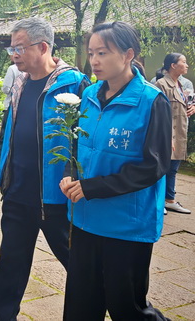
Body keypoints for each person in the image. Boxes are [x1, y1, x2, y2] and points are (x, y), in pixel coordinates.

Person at [60, 21, 172, 320]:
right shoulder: (89, 95)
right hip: (85, 218)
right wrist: (73, 174)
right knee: (81, 304)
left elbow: (154, 165)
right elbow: (78, 144)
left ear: (127, 55)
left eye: (103, 53)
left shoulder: (151, 101)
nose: (94, 60)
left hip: (127, 225)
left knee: (127, 307)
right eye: (92, 52)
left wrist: (93, 187)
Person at [0, 17, 90, 320]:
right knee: (9, 267)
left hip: (57, 198)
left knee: (81, 265)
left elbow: (85, 139)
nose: (13, 54)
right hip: (17, 193)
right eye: (12, 48)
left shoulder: (76, 84)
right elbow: (9, 128)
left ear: (43, 47)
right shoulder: (19, 82)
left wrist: (77, 178)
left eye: (19, 48)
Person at [155, 53, 194, 214]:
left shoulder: (182, 84)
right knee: (161, 168)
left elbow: (188, 103)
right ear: (173, 65)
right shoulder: (161, 84)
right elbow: (158, 114)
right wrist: (166, 136)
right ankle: (158, 201)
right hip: (168, 134)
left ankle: (169, 199)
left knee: (173, 169)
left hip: (179, 133)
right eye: (183, 62)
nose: (187, 65)